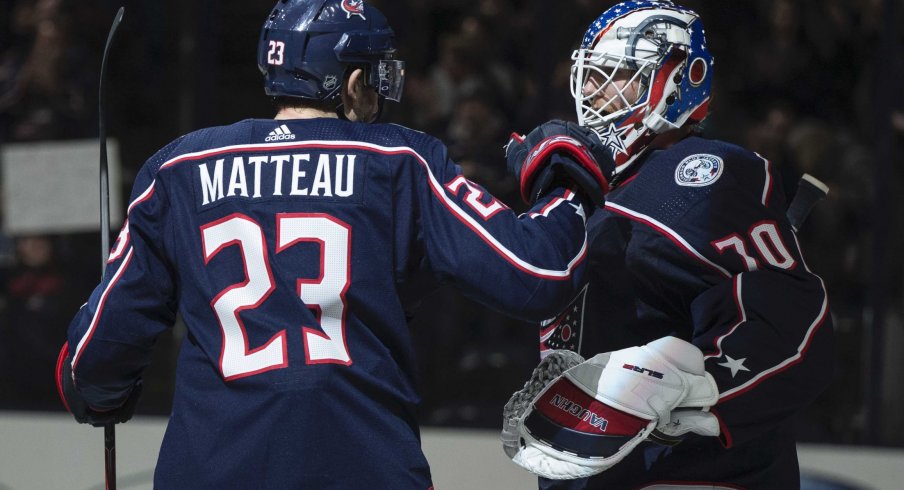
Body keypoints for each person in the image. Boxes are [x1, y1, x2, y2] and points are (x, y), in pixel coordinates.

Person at [54, 0, 613, 488]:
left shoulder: (177, 168)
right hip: (363, 467)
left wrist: (100, 396)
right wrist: (566, 185)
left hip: (210, 472)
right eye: (374, 74)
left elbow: (93, 362)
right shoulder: (400, 161)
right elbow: (539, 275)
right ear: (350, 83)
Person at [501, 2, 835, 489]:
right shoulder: (591, 184)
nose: (594, 90)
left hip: (694, 474)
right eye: (590, 75)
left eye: (616, 75)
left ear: (679, 80)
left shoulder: (698, 174)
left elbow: (790, 321)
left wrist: (706, 392)